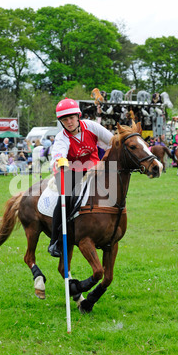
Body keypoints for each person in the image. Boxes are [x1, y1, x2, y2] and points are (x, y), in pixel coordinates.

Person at [48, 98, 114, 257]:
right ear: (61, 122)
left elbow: (112, 142)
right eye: (65, 119)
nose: (69, 122)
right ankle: (55, 241)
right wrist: (63, 165)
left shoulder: (91, 126)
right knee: (66, 196)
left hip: (93, 166)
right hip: (69, 169)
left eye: (71, 118)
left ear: (78, 116)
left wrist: (104, 161)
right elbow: (60, 156)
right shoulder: (61, 137)